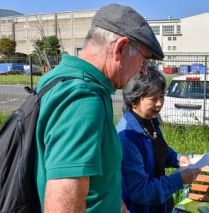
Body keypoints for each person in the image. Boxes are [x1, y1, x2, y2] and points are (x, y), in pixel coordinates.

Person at [34, 3, 164, 213]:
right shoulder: (83, 100)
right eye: (143, 61)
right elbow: (63, 206)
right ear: (120, 48)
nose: (142, 72)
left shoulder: (61, 79)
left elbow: (95, 182)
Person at [116, 65, 200, 213]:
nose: (159, 103)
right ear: (134, 100)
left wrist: (177, 159)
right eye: (153, 98)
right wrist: (180, 179)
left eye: (161, 96)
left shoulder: (150, 121)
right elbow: (141, 191)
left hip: (160, 203)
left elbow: (160, 150)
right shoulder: (127, 137)